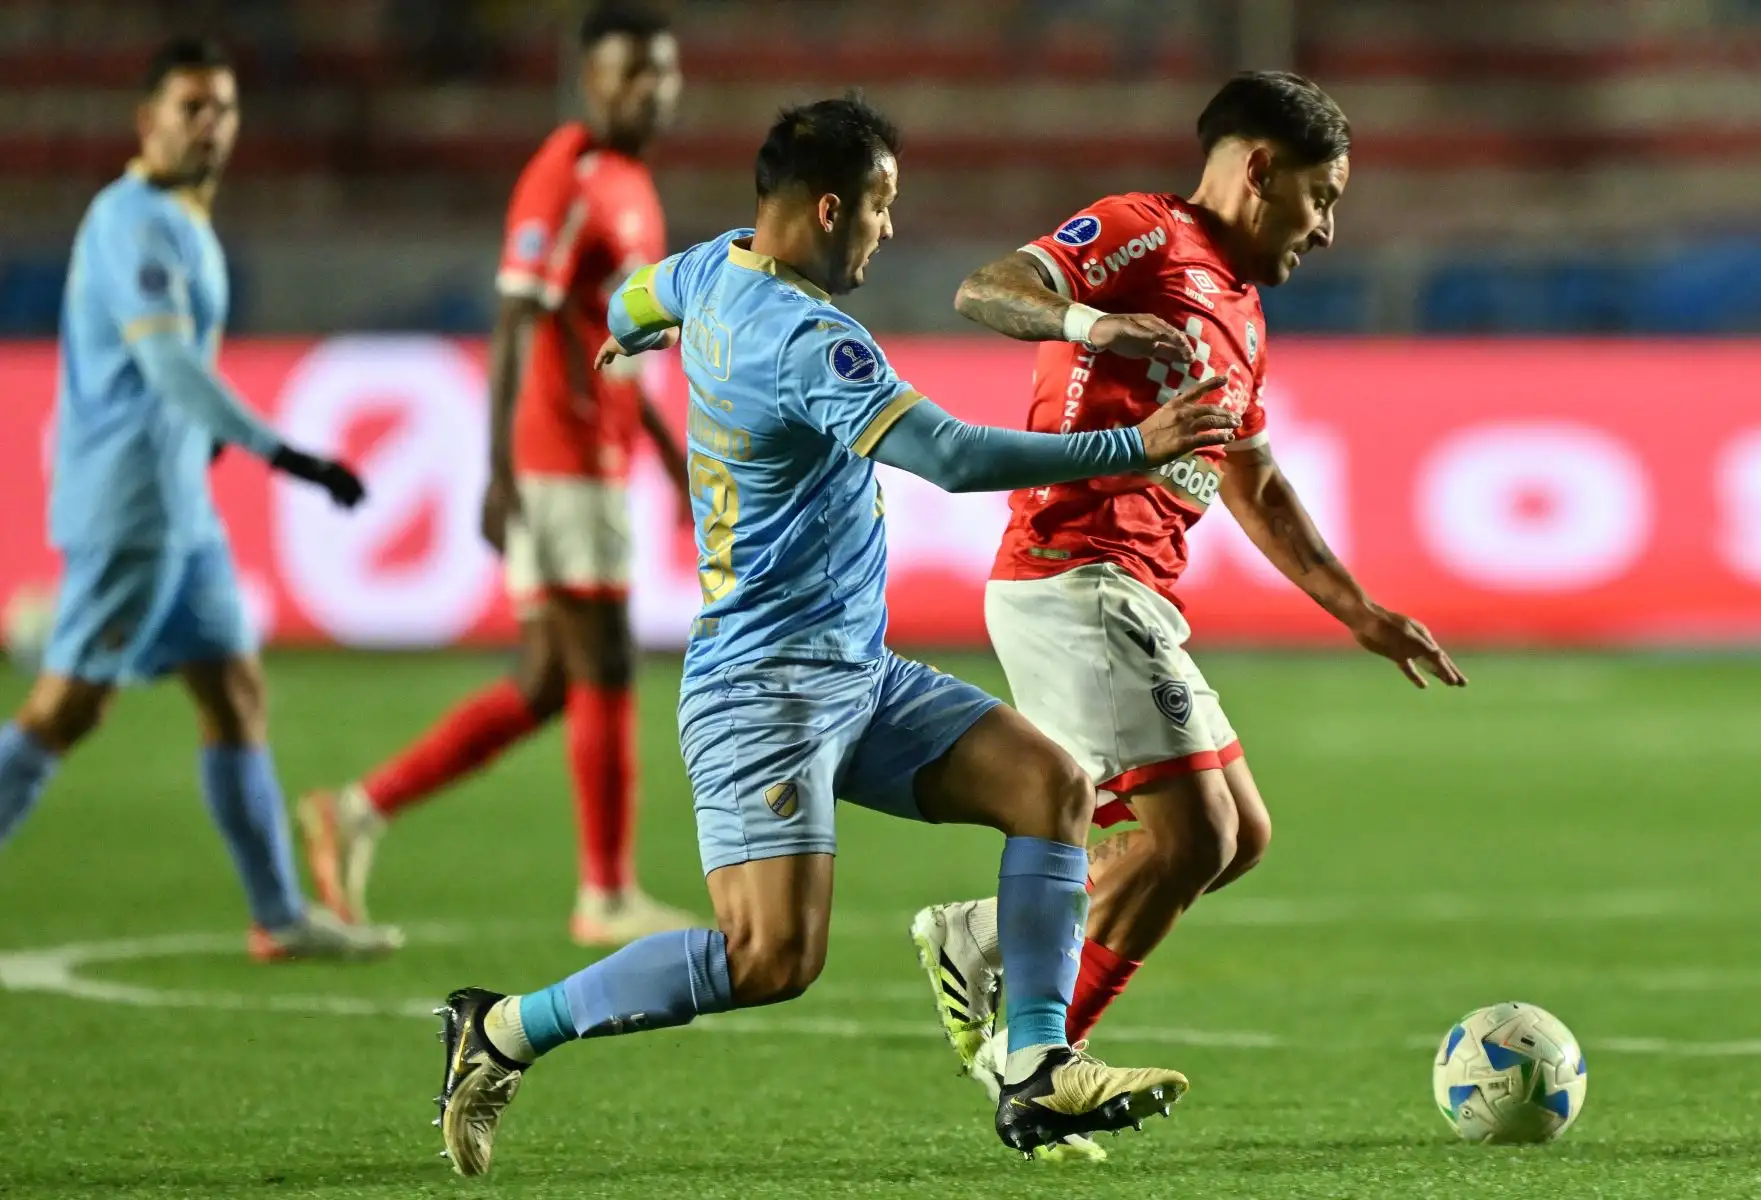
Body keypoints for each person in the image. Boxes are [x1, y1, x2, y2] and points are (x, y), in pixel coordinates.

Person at [428, 94, 1245, 1175]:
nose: (887, 229)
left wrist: (624, 329)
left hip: (854, 674)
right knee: (771, 958)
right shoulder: (805, 336)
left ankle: (1038, 1060)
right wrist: (1131, 442)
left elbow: (636, 292)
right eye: (880, 206)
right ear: (825, 208)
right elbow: (947, 457)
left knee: (1046, 784)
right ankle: (500, 1029)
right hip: (761, 690)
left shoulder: (713, 266)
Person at [910, 71, 1468, 1161]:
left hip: (1133, 594)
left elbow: (1255, 482)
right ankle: (1039, 1068)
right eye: (1324, 194)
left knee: (1237, 838)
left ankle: (983, 938)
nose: (1330, 227)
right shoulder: (1142, 233)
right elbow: (985, 289)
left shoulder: (1243, 312)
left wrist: (1360, 611)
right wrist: (1089, 321)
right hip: (1074, 571)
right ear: (1260, 168)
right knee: (1194, 833)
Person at [300, 3, 695, 946]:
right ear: (587, 80)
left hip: (595, 448)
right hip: (555, 454)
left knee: (549, 680)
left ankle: (356, 810)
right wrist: (497, 469)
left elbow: (614, 337)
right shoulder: (563, 178)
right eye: (631, 73)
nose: (652, 90)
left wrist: (670, 458)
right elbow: (518, 318)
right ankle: (604, 894)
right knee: (600, 659)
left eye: (663, 73)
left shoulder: (633, 185)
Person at [0, 36, 401, 961]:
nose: (210, 125)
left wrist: (208, 440)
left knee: (233, 687)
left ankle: (280, 917)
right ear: (148, 121)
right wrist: (284, 454)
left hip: (183, 512)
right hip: (129, 512)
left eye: (223, 108)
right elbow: (168, 361)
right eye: (191, 108)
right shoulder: (130, 220)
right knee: (67, 710)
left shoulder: (183, 217)